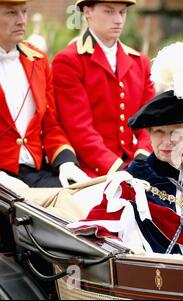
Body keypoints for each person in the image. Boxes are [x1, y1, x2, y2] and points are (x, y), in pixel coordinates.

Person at [69, 42, 183, 255]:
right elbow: (101, 231)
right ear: (149, 134)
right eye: (159, 132)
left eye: (175, 132)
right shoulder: (131, 179)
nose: (167, 141)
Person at [52, 0, 156, 177]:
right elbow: (80, 131)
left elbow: (150, 122)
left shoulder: (140, 62)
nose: (118, 20)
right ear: (87, 12)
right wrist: (120, 170)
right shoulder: (69, 61)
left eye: (122, 13)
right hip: (93, 172)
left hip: (136, 165)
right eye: (109, 12)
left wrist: (142, 159)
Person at [0, 0, 88, 188]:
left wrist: (66, 162)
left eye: (24, 12)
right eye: (11, 13)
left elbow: (51, 126)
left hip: (35, 173)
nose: (22, 20)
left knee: (81, 205)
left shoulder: (38, 61)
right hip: (2, 177)